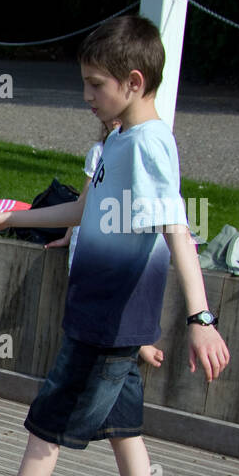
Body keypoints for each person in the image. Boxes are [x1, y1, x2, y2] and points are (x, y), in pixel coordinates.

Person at [0, 15, 230, 476]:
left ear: (134, 82)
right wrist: (10, 219)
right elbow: (85, 211)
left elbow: (178, 232)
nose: (86, 95)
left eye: (96, 84)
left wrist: (201, 317)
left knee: (50, 421)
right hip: (114, 320)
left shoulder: (147, 146)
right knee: (124, 427)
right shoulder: (121, 139)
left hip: (105, 323)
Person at [42, 119, 165, 371]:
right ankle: (131, 344)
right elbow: (83, 204)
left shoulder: (144, 146)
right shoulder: (100, 151)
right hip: (91, 239)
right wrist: (68, 235)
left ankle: (132, 342)